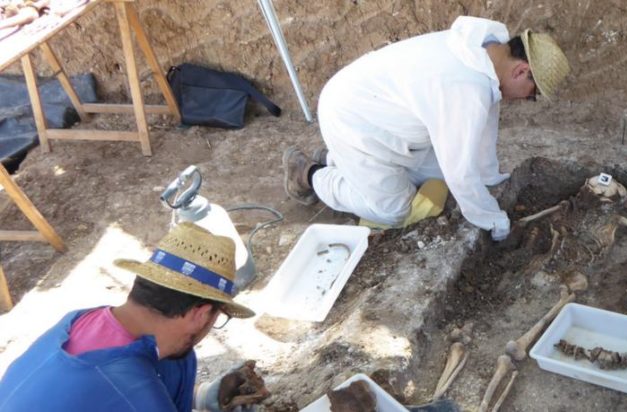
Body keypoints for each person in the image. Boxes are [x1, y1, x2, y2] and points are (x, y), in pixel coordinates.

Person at [283, 16, 570, 241]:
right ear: (520, 71)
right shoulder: (467, 89)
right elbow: (461, 173)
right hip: (352, 121)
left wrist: (491, 178)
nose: (526, 100)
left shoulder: (485, 54)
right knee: (394, 212)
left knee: (438, 180)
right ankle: (310, 174)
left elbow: (481, 137)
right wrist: (494, 220)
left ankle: (339, 159)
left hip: (383, 119)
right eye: (532, 93)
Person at [0, 222, 267, 411]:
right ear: (202, 313)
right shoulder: (134, 395)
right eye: (217, 318)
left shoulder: (82, 320)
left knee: (180, 357)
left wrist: (202, 396)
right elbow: (122, 394)